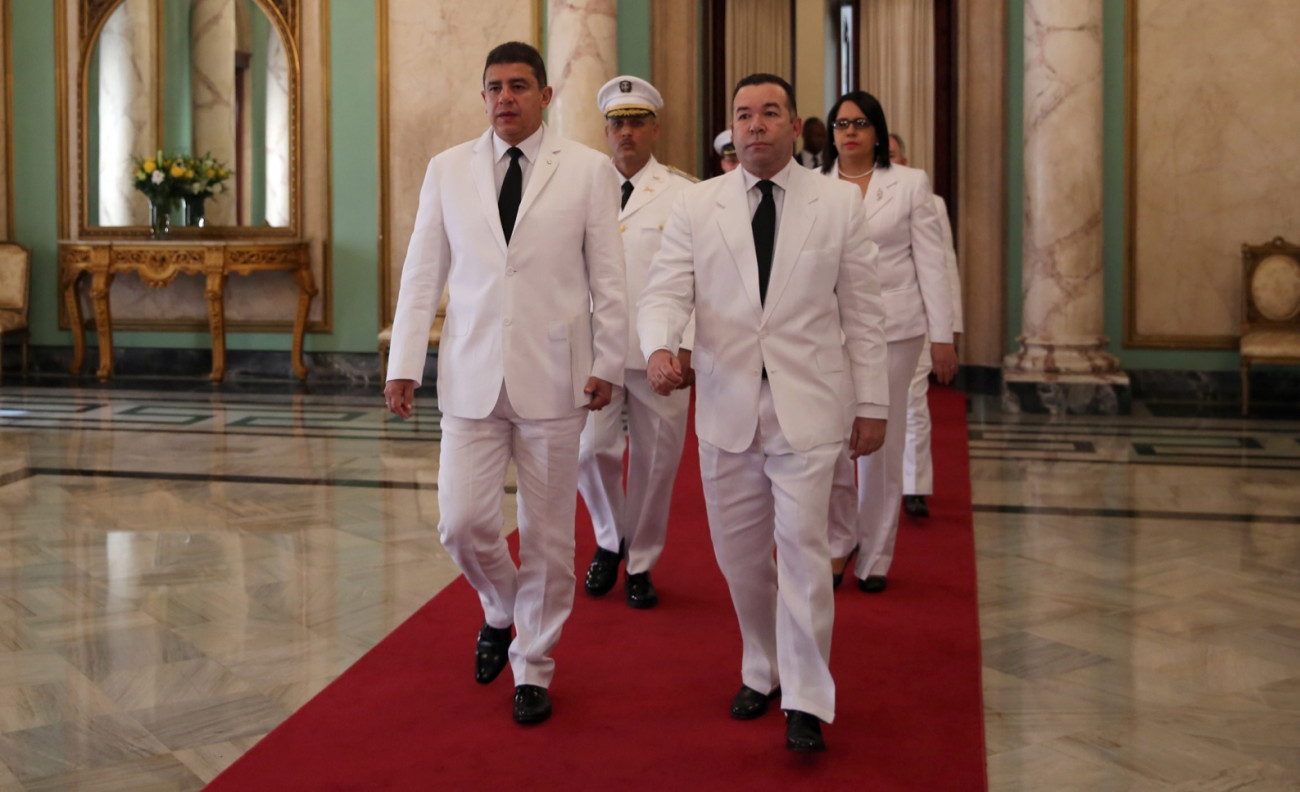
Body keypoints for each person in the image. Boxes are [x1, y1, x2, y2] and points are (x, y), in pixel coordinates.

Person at [639, 73, 888, 753]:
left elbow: (864, 313)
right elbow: (665, 291)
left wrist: (872, 404)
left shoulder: (837, 204)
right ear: (733, 126)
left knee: (804, 552)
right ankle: (763, 664)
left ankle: (806, 698)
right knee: (741, 558)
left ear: (793, 125)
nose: (756, 125)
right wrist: (659, 346)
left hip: (809, 407)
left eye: (770, 112)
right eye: (744, 114)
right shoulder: (698, 205)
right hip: (726, 406)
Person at [384, 41, 627, 726]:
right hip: (470, 376)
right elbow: (422, 274)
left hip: (555, 377)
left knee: (549, 537)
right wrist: (404, 363)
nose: (505, 98)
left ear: (545, 96)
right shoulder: (447, 169)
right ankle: (500, 606)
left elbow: (610, 279)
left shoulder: (587, 170)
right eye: (494, 87)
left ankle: (534, 665)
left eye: (519, 86)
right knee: (461, 523)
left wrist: (609, 362)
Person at [823, 91, 955, 595]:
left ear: (876, 131)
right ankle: (840, 539)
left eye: (859, 123)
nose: (850, 132)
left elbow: (932, 263)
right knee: (832, 440)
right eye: (841, 124)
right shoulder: (813, 184)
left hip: (895, 329)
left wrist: (942, 336)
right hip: (828, 330)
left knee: (882, 440)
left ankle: (875, 554)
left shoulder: (909, 184)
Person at [579, 75, 697, 609]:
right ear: (606, 131)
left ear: (655, 129)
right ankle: (610, 539)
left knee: (656, 462)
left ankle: (642, 561)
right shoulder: (583, 187)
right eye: (617, 123)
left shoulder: (685, 193)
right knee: (590, 451)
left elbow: (699, 278)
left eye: (636, 122)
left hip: (660, 352)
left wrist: (686, 346)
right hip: (595, 349)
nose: (625, 132)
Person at [888, 133, 963, 519]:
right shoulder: (845, 196)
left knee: (913, 404)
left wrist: (948, 329)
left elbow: (943, 265)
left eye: (892, 155)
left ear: (905, 161)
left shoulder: (930, 202)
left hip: (912, 319)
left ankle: (914, 486)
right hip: (857, 325)